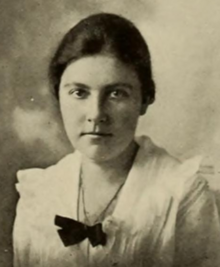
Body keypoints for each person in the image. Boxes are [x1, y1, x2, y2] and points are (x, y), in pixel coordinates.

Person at [13, 13, 220, 267]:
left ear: (144, 100)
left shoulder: (182, 194)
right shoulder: (38, 193)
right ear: (59, 96)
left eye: (116, 93)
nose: (96, 114)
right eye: (79, 93)